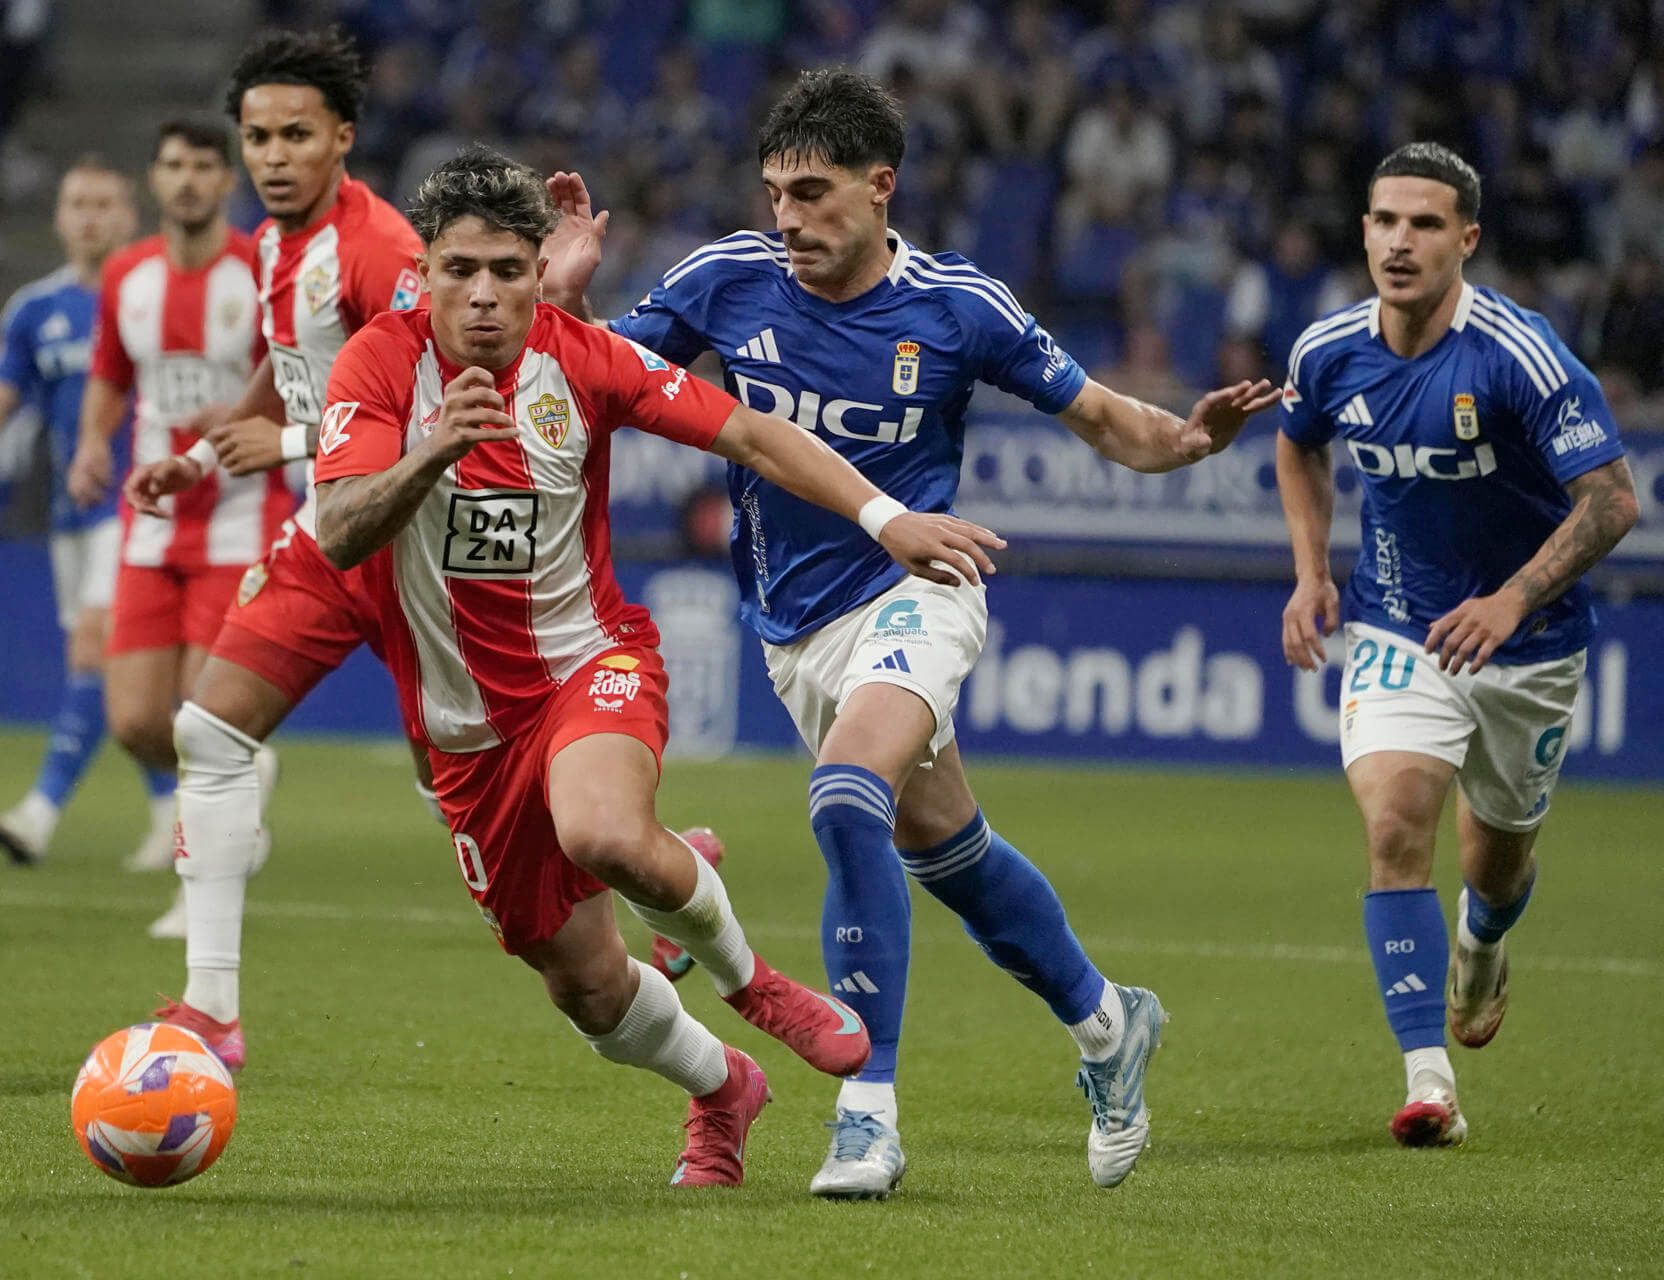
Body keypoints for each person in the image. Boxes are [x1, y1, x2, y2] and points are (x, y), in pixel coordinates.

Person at [541, 68, 1281, 1196]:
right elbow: (594, 382)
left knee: (849, 796)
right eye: (776, 193)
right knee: (947, 848)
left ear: (880, 186)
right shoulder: (725, 280)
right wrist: (567, 302)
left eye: (813, 193)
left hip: (920, 578)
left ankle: (867, 1114)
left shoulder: (957, 305)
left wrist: (1186, 438)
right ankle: (1107, 1020)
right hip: (793, 625)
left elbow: (1100, 418)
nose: (789, 219)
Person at [314, 144, 1008, 1188]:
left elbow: (754, 436)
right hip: (463, 731)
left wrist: (885, 516)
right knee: (586, 988)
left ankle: (751, 981)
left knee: (599, 831)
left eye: (507, 268)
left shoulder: (584, 358)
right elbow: (337, 531)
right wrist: (431, 452)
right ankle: (724, 1086)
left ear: (537, 270)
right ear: (424, 272)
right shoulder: (378, 365)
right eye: (461, 270)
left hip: (588, 665)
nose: (486, 293)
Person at [1276, 142, 1639, 1148]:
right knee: (1397, 824)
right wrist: (1311, 572)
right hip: (1400, 624)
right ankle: (1428, 1082)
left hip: (1530, 645)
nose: (1401, 242)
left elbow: (1612, 500)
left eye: (1426, 224)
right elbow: (1298, 444)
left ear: (1466, 239)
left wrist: (1512, 600)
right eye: (1386, 221)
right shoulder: (1328, 350)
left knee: (1497, 864)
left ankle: (1481, 942)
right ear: (1364, 231)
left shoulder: (1520, 355)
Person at [117, 29, 430, 1064]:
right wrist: (202, 459)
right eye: (258, 137)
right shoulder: (270, 245)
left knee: (474, 794)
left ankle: (654, 868)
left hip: (417, 548)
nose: (274, 155)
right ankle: (212, 1005)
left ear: (343, 138)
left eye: (297, 134)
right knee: (208, 731)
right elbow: (291, 367)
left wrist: (290, 445)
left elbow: (443, 409)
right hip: (328, 536)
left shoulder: (381, 251)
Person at [0, 158, 178, 869]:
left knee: (94, 652)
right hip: (72, 512)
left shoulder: (158, 294)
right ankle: (178, 812)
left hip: (142, 504)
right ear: (59, 218)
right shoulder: (35, 310)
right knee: (111, 674)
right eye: (78, 203)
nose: (91, 216)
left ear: (130, 215)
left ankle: (39, 814)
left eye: (105, 203)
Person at [65, 118, 279, 905]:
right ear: (154, 180)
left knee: (202, 717)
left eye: (201, 166)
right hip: (151, 525)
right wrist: (92, 443)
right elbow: (110, 374)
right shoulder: (128, 275)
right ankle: (244, 776)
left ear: (226, 180)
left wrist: (251, 413)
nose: (186, 179)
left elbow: (301, 376)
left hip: (238, 518)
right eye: (173, 165)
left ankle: (203, 898)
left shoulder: (260, 268)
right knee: (134, 723)